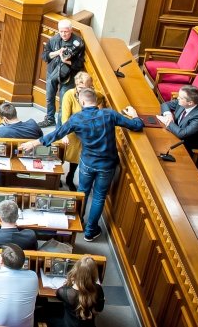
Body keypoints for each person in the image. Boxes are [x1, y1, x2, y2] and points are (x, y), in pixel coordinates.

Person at [19, 88, 143, 242]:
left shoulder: (76, 119)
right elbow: (136, 126)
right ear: (96, 100)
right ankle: (90, 232)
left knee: (82, 192)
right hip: (107, 164)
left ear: (82, 102)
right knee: (99, 197)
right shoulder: (109, 114)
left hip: (87, 163)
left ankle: (77, 222)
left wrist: (35, 143)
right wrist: (135, 115)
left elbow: (57, 133)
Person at [60, 72, 105, 190]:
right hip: (70, 131)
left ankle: (70, 177)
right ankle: (58, 177)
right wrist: (64, 134)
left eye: (85, 88)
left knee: (76, 157)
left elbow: (101, 97)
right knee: (62, 155)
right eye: (80, 88)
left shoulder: (92, 95)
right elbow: (65, 117)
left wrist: (91, 91)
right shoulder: (69, 95)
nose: (82, 91)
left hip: (83, 134)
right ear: (76, 85)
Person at [41, 19, 85, 127]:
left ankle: (60, 127)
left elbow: (80, 64)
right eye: (61, 31)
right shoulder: (54, 39)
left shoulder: (78, 43)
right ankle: (50, 119)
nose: (63, 34)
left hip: (69, 76)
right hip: (53, 72)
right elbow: (44, 56)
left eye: (66, 31)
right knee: (49, 97)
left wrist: (68, 61)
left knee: (63, 102)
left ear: (71, 30)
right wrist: (57, 52)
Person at [157, 84, 198, 152]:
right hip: (178, 136)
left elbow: (182, 134)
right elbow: (165, 104)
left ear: (190, 103)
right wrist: (168, 115)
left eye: (181, 98)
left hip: (192, 147)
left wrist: (168, 122)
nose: (178, 98)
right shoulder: (187, 102)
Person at [54, 255, 105, 327]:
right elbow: (99, 308)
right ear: (94, 274)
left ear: (76, 270)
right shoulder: (98, 289)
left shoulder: (64, 292)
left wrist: (69, 282)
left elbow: (58, 296)